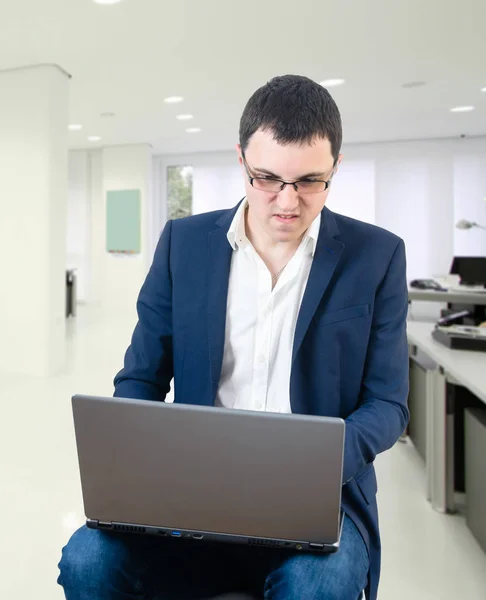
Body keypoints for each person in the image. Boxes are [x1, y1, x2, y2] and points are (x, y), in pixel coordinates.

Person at [58, 74, 409, 600]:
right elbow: (141, 377)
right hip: (189, 491)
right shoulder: (184, 244)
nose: (287, 203)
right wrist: (132, 471)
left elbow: (388, 403)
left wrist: (317, 465)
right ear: (240, 159)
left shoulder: (376, 255)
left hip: (319, 496)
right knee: (86, 560)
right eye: (267, 178)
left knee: (319, 585)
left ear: (336, 166)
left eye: (311, 181)